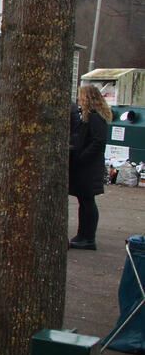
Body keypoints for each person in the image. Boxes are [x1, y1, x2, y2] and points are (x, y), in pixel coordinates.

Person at [68, 84, 111, 250]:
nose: (79, 99)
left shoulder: (94, 118)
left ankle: (88, 236)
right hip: (87, 165)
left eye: (82, 96)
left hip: (88, 167)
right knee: (84, 201)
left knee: (87, 201)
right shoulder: (91, 117)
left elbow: (98, 141)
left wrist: (82, 156)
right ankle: (83, 234)